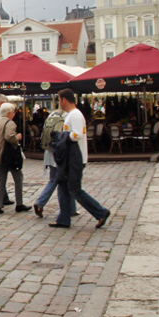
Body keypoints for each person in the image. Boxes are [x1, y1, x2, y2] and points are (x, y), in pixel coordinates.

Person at [50, 89, 111, 229]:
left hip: (75, 159)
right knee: (63, 188)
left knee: (74, 189)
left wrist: (63, 136)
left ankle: (100, 212)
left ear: (64, 100)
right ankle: (63, 218)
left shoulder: (75, 115)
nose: (59, 102)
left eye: (59, 100)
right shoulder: (71, 115)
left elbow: (76, 135)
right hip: (70, 158)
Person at [33, 109, 78, 218]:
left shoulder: (52, 114)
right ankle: (40, 202)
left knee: (63, 180)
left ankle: (72, 209)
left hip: (49, 152)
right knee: (58, 180)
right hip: (60, 154)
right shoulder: (68, 116)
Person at [0, 103, 31, 215]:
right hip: (9, 156)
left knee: (0, 180)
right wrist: (17, 137)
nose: (14, 114)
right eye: (13, 112)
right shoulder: (10, 123)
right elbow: (9, 137)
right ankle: (19, 204)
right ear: (9, 113)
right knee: (18, 178)